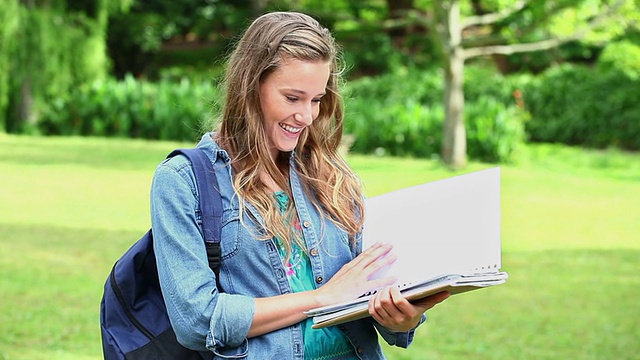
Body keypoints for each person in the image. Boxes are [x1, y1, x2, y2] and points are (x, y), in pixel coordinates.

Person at [150, 11, 449, 359]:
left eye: (317, 99)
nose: (307, 116)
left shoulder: (331, 175)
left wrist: (400, 319)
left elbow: (364, 292)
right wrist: (321, 299)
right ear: (251, 87)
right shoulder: (183, 181)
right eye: (292, 98)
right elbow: (197, 320)